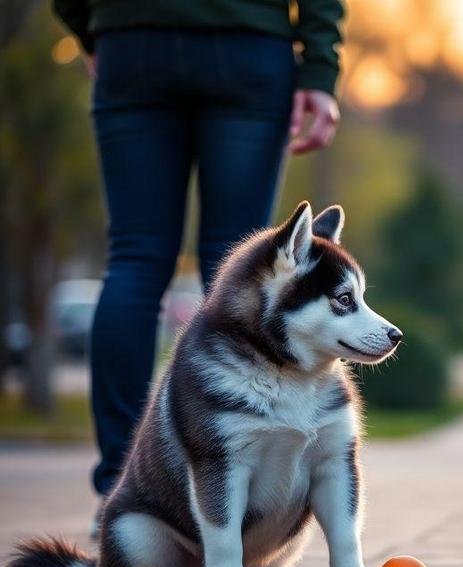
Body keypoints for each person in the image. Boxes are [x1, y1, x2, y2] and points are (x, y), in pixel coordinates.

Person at [50, 0, 346, 534]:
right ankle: (225, 491)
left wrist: (93, 29)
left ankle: (123, 494)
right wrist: (321, 67)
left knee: (134, 262)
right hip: (246, 44)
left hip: (133, 43)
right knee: (239, 268)